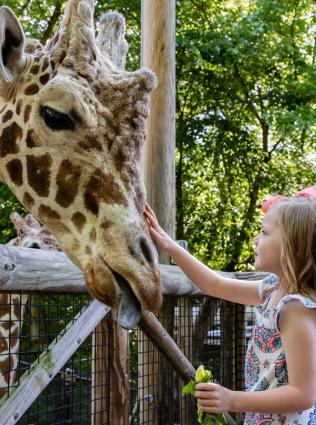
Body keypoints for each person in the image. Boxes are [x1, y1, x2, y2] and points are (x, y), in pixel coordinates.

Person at [143, 193, 316, 425]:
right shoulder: (272, 288)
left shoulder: (295, 309)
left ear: (294, 248)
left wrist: (231, 400)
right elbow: (213, 284)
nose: (256, 239)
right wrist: (168, 244)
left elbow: (303, 394)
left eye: (264, 233)